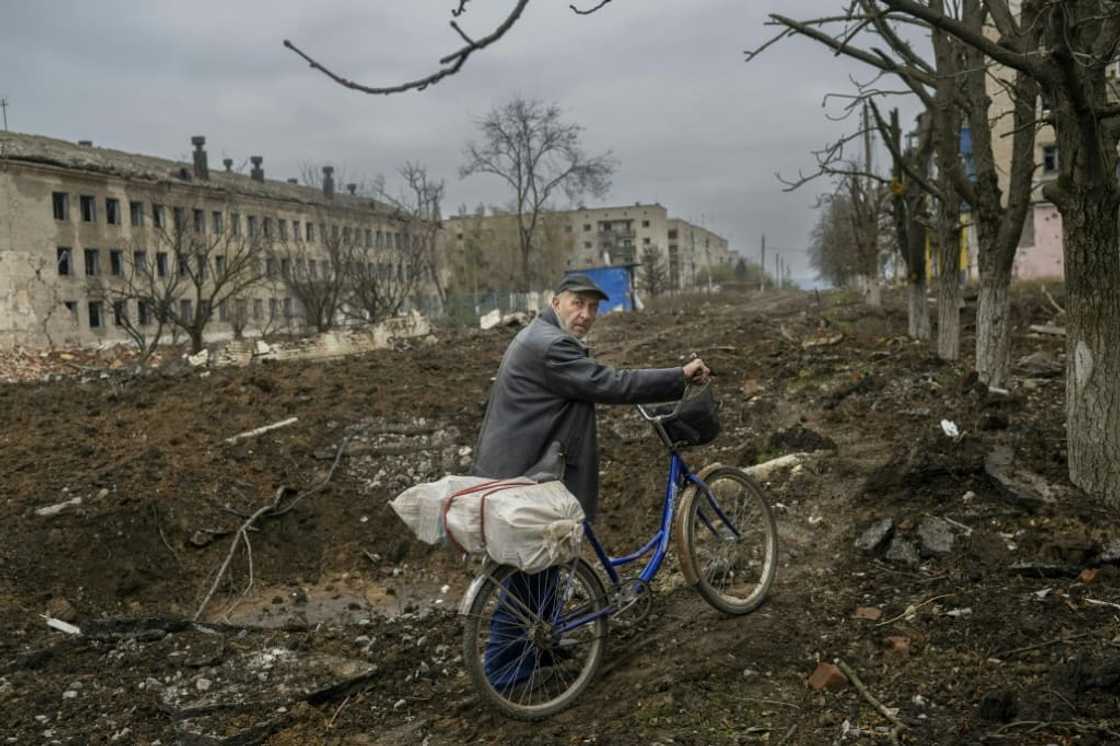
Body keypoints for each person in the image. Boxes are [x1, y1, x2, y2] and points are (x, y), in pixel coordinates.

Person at [472, 273, 709, 689]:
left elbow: (582, 386)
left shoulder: (540, 335)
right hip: (526, 472)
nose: (585, 315)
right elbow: (608, 383)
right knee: (532, 571)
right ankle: (506, 669)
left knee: (542, 566)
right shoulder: (550, 346)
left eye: (593, 307)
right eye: (577, 304)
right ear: (555, 301)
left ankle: (538, 647)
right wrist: (679, 375)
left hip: (519, 465)